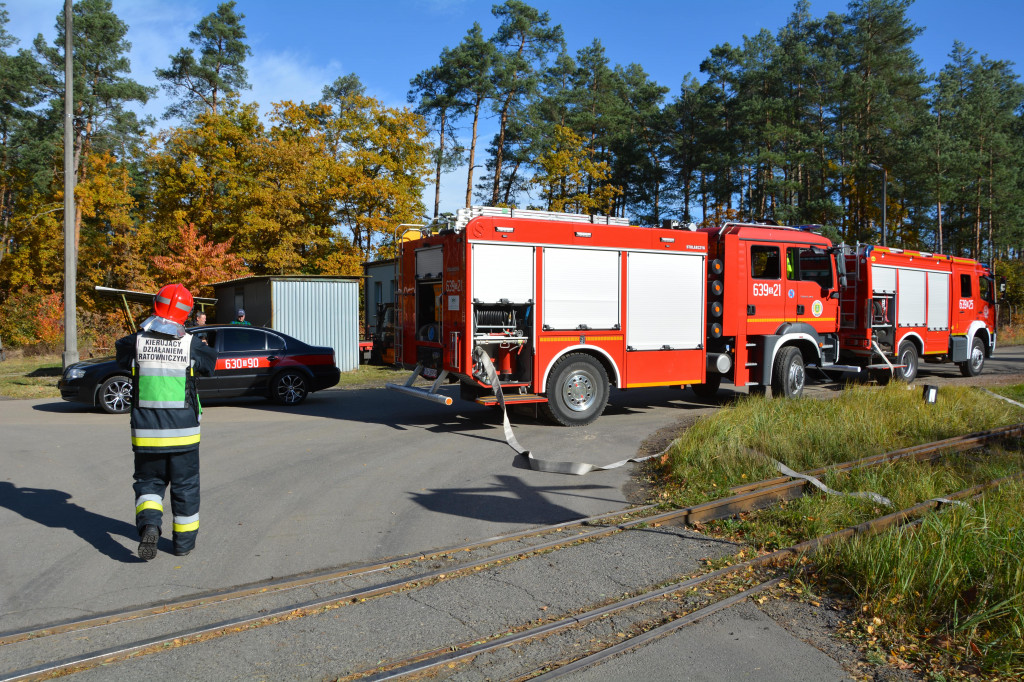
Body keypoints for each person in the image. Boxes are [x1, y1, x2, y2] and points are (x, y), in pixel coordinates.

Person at [115, 284, 217, 561]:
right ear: (186, 313)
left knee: (149, 483)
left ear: (155, 305)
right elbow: (210, 365)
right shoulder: (191, 344)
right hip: (184, 433)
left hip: (147, 433)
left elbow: (121, 355)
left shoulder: (133, 342)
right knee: (185, 486)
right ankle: (183, 544)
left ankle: (150, 525)